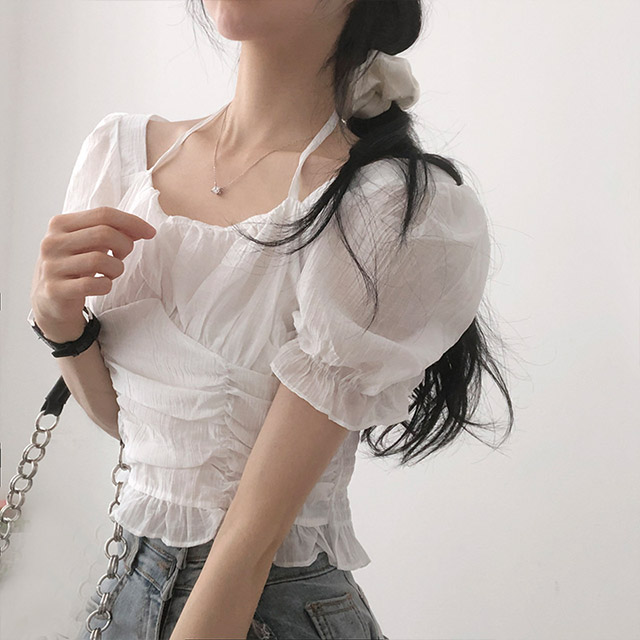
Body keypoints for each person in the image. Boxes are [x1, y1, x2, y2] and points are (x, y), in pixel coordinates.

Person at [28, 1, 513, 638]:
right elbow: (147, 438)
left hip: (263, 604)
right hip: (129, 582)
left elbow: (253, 540)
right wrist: (59, 324)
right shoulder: (120, 156)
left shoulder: (385, 206)